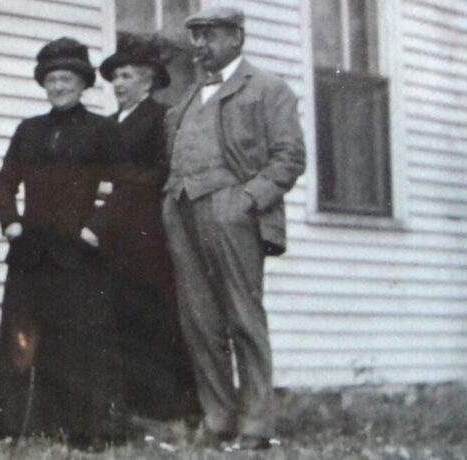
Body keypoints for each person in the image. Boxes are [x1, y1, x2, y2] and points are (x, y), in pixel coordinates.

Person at [161, 5, 306, 451]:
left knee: (244, 316)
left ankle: (256, 423)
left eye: (211, 36)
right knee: (200, 321)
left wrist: (247, 200)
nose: (200, 45)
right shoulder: (186, 96)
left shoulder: (267, 88)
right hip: (183, 212)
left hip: (232, 210)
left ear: (237, 38)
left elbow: (289, 156)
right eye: (197, 36)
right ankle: (218, 417)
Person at [0, 36, 129, 447]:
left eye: (67, 78)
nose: (59, 86)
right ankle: (16, 424)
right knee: (22, 338)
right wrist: (11, 223)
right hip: (31, 251)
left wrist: (94, 230)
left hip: (79, 252)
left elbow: (124, 189)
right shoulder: (29, 131)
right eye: (52, 79)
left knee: (81, 341)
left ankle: (87, 429)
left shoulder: (103, 131)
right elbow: (4, 182)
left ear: (83, 83)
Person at [97, 35, 198, 424]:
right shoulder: (106, 124)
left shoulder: (161, 118)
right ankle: (124, 403)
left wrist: (116, 183)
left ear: (148, 80)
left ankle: (165, 405)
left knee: (150, 315)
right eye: (115, 78)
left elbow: (160, 170)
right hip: (108, 232)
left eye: (126, 76)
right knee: (116, 313)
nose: (119, 84)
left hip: (145, 231)